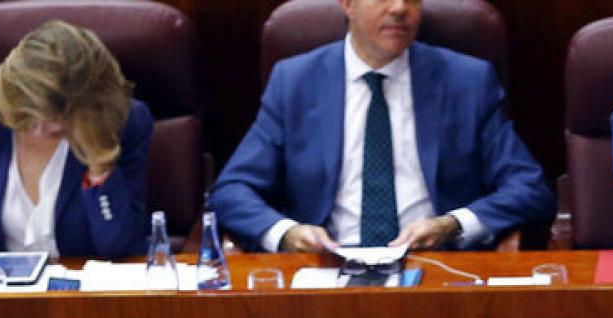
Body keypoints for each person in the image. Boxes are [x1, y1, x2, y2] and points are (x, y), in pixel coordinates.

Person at [208, 0, 553, 253]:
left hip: (435, 264)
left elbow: (528, 188)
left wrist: (452, 225)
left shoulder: (468, 81)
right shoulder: (295, 81)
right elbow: (232, 191)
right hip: (326, 266)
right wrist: (288, 233)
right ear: (348, 4)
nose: (400, 8)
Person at [0, 20, 153, 265]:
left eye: (58, 117)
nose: (40, 128)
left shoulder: (124, 123)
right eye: (29, 114)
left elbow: (117, 246)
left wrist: (99, 162)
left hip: (81, 290)